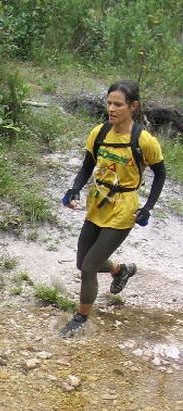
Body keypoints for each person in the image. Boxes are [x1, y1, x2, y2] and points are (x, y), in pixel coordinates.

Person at [60, 80, 166, 337]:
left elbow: (160, 175)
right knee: (82, 263)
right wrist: (74, 189)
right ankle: (122, 270)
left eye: (118, 104)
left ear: (133, 106)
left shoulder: (144, 141)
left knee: (89, 268)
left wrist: (148, 208)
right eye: (109, 103)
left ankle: (80, 319)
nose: (111, 108)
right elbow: (87, 166)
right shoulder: (99, 132)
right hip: (97, 204)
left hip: (123, 210)